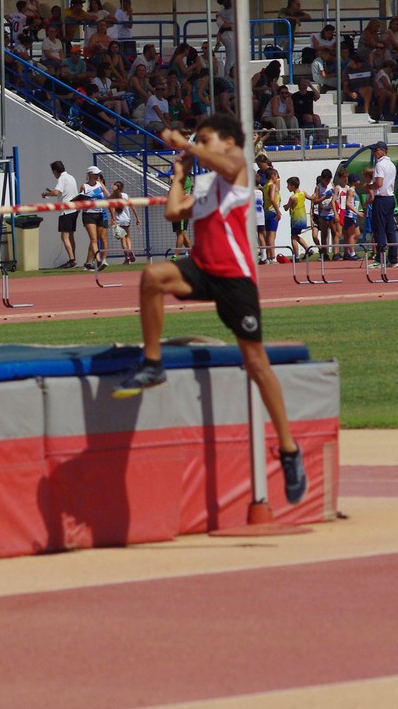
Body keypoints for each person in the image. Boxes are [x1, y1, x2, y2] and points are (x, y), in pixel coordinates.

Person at [111, 115, 307, 505]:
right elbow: (173, 212)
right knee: (153, 277)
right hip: (202, 269)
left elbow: (226, 164)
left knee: (256, 363)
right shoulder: (208, 184)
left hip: (235, 279)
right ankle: (153, 364)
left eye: (204, 139)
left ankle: (288, 448)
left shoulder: (239, 169)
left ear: (228, 141)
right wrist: (179, 176)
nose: (198, 144)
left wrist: (185, 144)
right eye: (196, 139)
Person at [360, 141, 398, 267]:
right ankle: (393, 259)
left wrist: (369, 186)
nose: (374, 153)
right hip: (390, 198)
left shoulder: (380, 165)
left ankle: (380, 259)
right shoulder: (392, 165)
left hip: (381, 199)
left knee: (379, 229)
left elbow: (379, 183)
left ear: (383, 150)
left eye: (376, 150)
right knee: (390, 229)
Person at [41, 160, 79, 268]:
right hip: (74, 209)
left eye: (53, 172)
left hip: (66, 211)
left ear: (56, 171)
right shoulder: (71, 177)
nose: (53, 175)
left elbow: (56, 192)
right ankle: (73, 258)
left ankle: (72, 260)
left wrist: (46, 193)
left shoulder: (62, 178)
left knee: (64, 237)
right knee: (71, 236)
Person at [80, 166, 109, 270]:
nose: (97, 176)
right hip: (88, 214)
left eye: (98, 174)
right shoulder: (84, 186)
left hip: (100, 214)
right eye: (96, 174)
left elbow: (108, 196)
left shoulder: (100, 185)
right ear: (90, 175)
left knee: (101, 238)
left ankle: (90, 262)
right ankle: (98, 260)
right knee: (93, 239)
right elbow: (80, 201)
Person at [110, 181, 142, 264]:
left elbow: (112, 208)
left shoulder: (113, 197)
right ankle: (130, 250)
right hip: (126, 219)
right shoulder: (126, 196)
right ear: (122, 188)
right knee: (128, 237)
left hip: (118, 220)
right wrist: (137, 218)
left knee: (122, 239)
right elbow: (133, 207)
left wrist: (113, 219)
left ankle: (127, 258)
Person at [283, 177, 310, 261]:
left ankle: (297, 256)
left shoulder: (293, 197)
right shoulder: (303, 193)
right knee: (295, 236)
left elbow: (287, 208)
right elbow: (311, 198)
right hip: (303, 217)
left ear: (293, 186)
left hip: (296, 218)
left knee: (293, 237)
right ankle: (307, 249)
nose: (287, 187)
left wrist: (285, 206)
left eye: (288, 185)